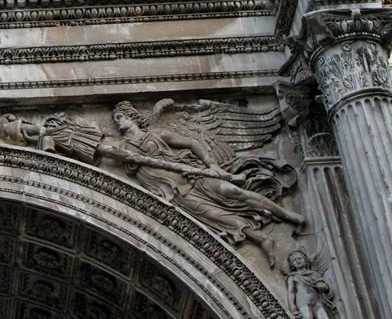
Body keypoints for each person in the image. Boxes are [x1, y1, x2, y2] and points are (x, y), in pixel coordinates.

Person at [111, 101, 305, 266]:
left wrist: (212, 165)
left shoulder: (156, 134)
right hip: (175, 193)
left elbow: (191, 143)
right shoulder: (123, 148)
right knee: (218, 217)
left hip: (192, 176)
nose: (117, 123)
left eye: (120, 117)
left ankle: (286, 214)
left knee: (236, 193)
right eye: (115, 120)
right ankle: (262, 239)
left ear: (132, 116)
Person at [285, 251, 338, 319]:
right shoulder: (293, 276)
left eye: (299, 258)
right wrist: (291, 305)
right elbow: (291, 292)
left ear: (305, 260)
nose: (297, 261)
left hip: (316, 301)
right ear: (292, 264)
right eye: (294, 260)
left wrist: (325, 288)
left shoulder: (314, 273)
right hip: (302, 301)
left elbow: (322, 284)